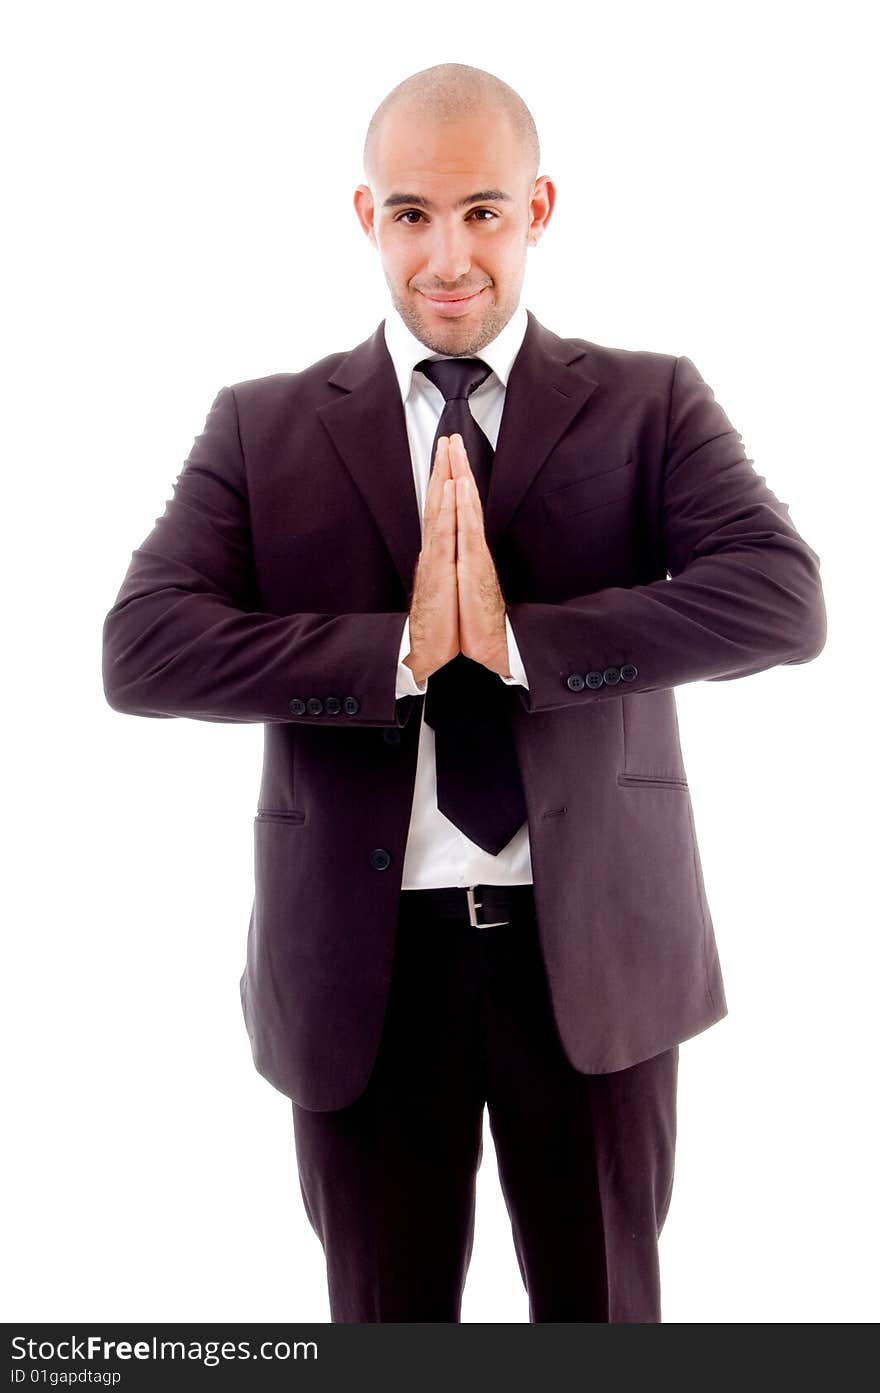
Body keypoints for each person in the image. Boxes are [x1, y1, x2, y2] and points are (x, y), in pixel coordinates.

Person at [101, 62, 827, 1323]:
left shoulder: (649, 400)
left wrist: (517, 643)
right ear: (365, 216)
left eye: (483, 212)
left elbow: (780, 598)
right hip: (364, 975)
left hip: (592, 958)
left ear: (539, 208)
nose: (448, 254)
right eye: (412, 214)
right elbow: (144, 647)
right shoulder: (260, 424)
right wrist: (395, 653)